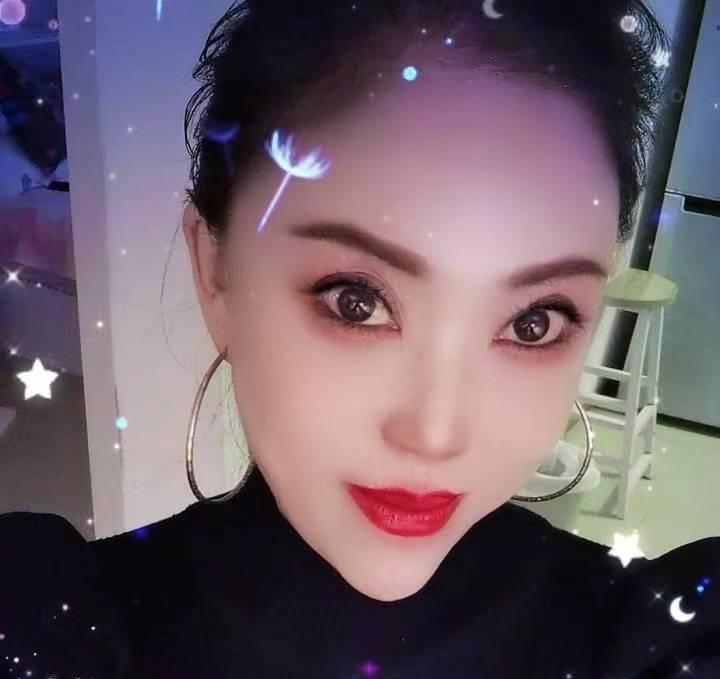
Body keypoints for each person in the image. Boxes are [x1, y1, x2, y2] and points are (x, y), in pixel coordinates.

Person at [1, 0, 719, 677]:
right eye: (358, 302)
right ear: (215, 271)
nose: (435, 434)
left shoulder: (656, 639)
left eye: (534, 323)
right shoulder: (51, 625)